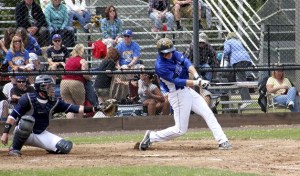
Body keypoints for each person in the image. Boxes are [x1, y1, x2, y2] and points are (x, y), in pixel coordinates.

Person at [138, 38, 232, 151]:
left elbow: (187, 63)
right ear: (161, 53)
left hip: (187, 91)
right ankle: (151, 137)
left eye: (170, 51)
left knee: (207, 112)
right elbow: (177, 81)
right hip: (177, 95)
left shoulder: (173, 53)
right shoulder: (160, 66)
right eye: (166, 53)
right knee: (180, 130)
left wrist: (197, 76)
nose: (169, 54)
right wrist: (197, 83)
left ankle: (222, 141)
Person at [0, 75, 101, 156]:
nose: (51, 89)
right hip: (23, 133)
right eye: (48, 86)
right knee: (27, 121)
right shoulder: (27, 98)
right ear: (41, 87)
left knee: (65, 147)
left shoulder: (54, 102)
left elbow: (74, 108)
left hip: (40, 133)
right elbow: (12, 117)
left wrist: (96, 108)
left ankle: (50, 147)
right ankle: (15, 148)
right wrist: (5, 133)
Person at [60, 44, 94, 118]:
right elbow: (84, 74)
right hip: (76, 82)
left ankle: (70, 127)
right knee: (79, 106)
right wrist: (90, 78)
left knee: (70, 107)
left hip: (64, 83)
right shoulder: (82, 60)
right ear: (82, 51)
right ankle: (79, 126)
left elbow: (64, 72)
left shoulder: (69, 60)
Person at [223, 32, 253, 109]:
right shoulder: (238, 41)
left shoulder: (228, 41)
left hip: (237, 61)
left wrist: (224, 55)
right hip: (246, 59)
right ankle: (246, 99)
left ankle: (246, 100)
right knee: (242, 79)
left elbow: (227, 51)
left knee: (241, 80)